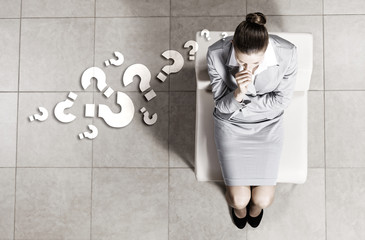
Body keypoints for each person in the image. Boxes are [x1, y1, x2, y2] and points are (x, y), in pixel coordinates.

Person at [206, 12, 298, 229]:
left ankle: (255, 210)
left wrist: (243, 103)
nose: (248, 69)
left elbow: (281, 101)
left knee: (263, 200)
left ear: (265, 52)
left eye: (256, 63)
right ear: (233, 47)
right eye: (241, 62)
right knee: (239, 199)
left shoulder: (287, 53)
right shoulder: (215, 53)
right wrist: (238, 92)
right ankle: (239, 210)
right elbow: (221, 104)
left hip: (268, 125)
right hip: (231, 125)